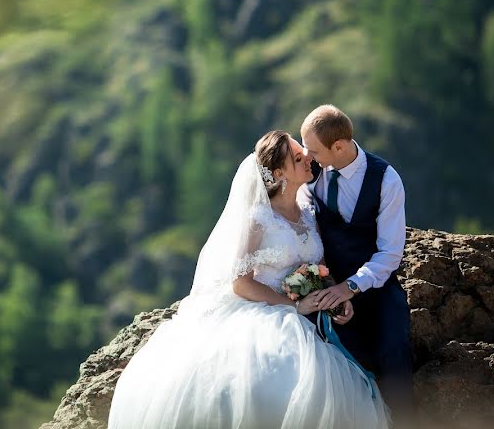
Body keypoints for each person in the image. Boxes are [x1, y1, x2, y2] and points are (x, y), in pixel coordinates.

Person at [108, 131, 389, 429]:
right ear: (279, 173)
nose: (308, 157)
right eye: (297, 157)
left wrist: (333, 298)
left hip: (306, 309)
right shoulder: (259, 218)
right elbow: (240, 283)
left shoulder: (308, 212)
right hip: (265, 311)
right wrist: (293, 307)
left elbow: (318, 266)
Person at [299, 104, 413, 419]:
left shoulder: (386, 180)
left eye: (313, 150)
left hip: (376, 285)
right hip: (328, 283)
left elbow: (390, 253)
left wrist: (351, 286)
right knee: (329, 357)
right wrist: (329, 286)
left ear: (338, 146)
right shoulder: (309, 177)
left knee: (394, 349)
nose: (307, 157)